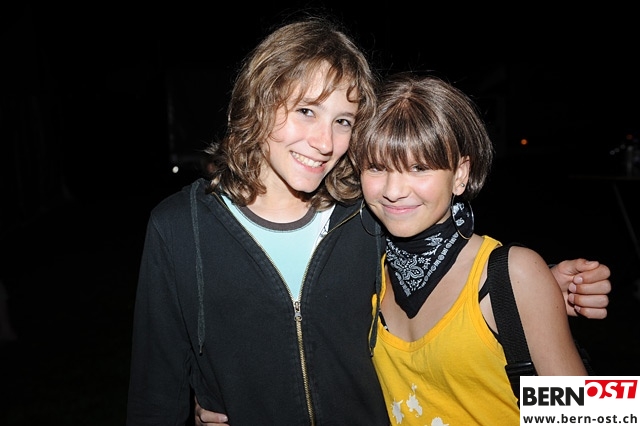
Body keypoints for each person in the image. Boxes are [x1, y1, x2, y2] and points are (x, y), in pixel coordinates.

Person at [127, 16, 610, 426]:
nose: (324, 142)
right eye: (306, 110)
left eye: (343, 121)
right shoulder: (184, 228)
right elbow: (156, 393)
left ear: (462, 173)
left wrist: (534, 290)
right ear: (259, 102)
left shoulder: (370, 219)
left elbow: (593, 413)